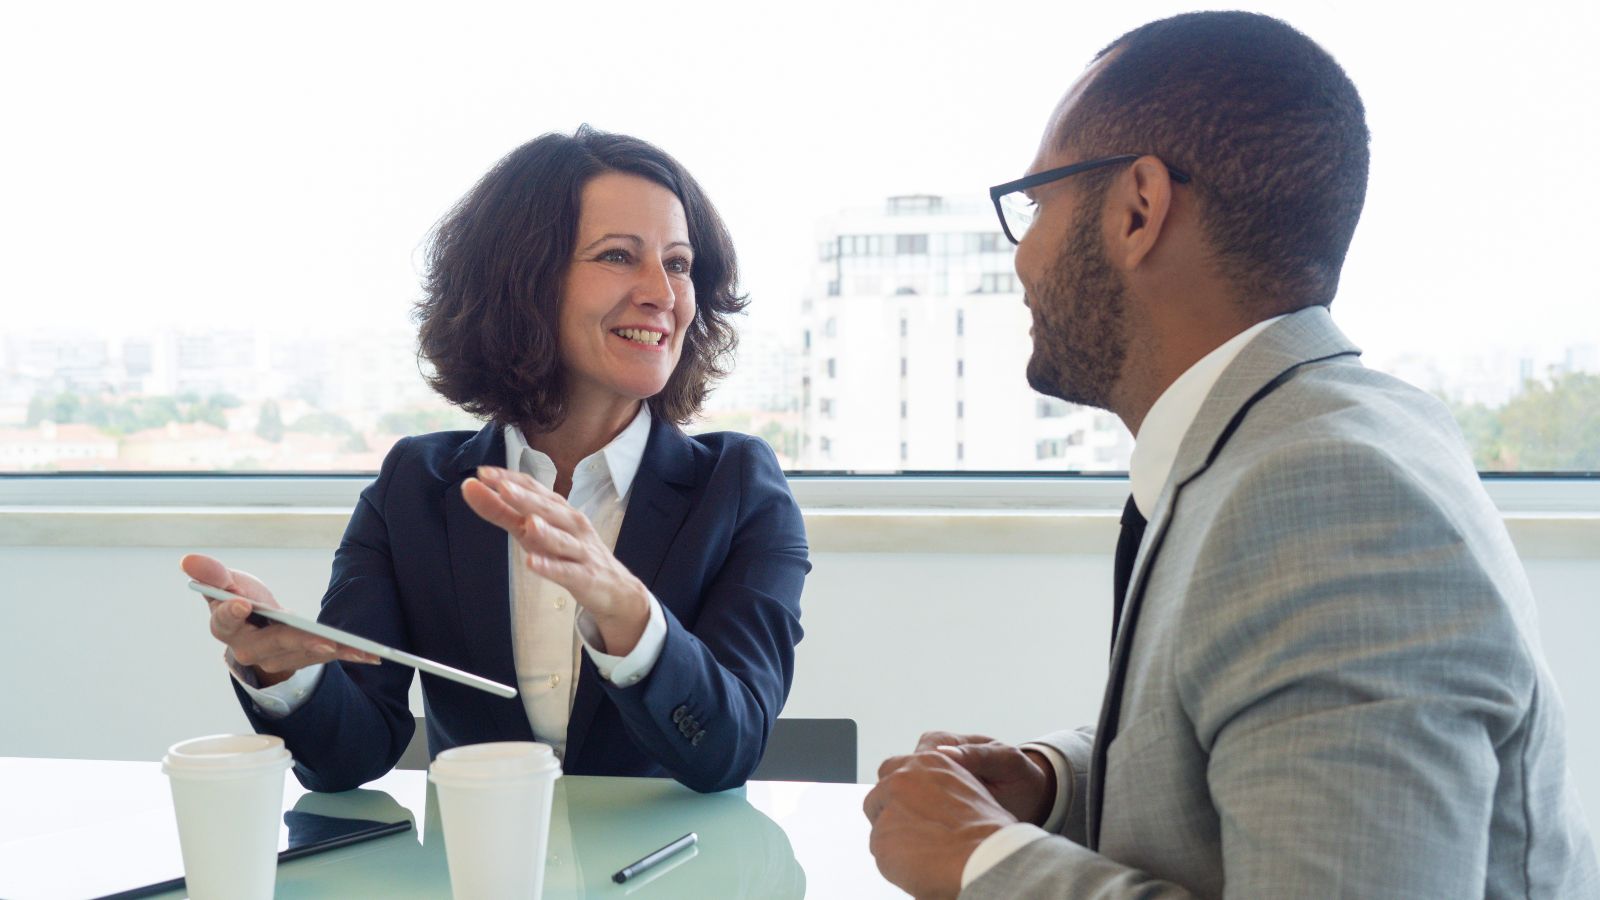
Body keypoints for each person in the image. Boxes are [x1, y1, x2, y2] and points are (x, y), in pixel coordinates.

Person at [864, 12, 1598, 898]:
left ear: (1139, 208)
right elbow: (1259, 742)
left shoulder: (1331, 499)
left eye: (1035, 205)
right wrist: (1057, 781)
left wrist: (984, 861)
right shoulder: (1299, 439)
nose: (1021, 258)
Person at [183, 126, 809, 795]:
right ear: (523, 281)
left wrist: (626, 608)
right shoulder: (415, 489)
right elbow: (350, 757)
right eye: (619, 256)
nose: (662, 291)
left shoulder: (740, 489)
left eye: (679, 263)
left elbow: (730, 748)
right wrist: (285, 673)